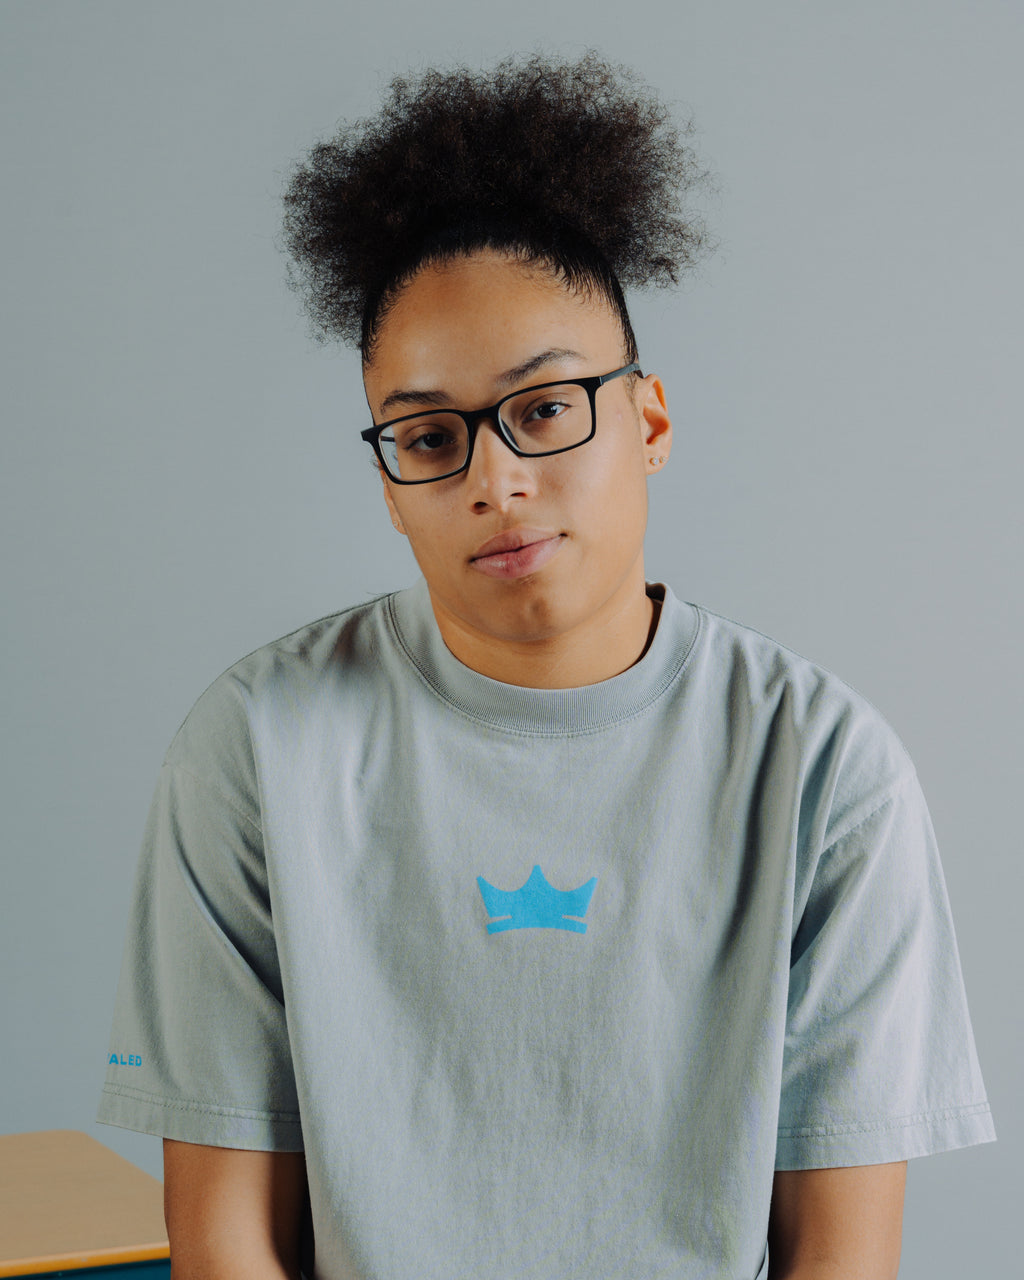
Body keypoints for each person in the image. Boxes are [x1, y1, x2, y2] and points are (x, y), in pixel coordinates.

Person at [97, 51, 995, 1280]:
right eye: (429, 436)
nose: (496, 479)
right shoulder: (257, 742)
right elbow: (225, 1240)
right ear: (389, 485)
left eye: (544, 407)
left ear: (649, 421)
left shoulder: (827, 767)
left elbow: (840, 1255)